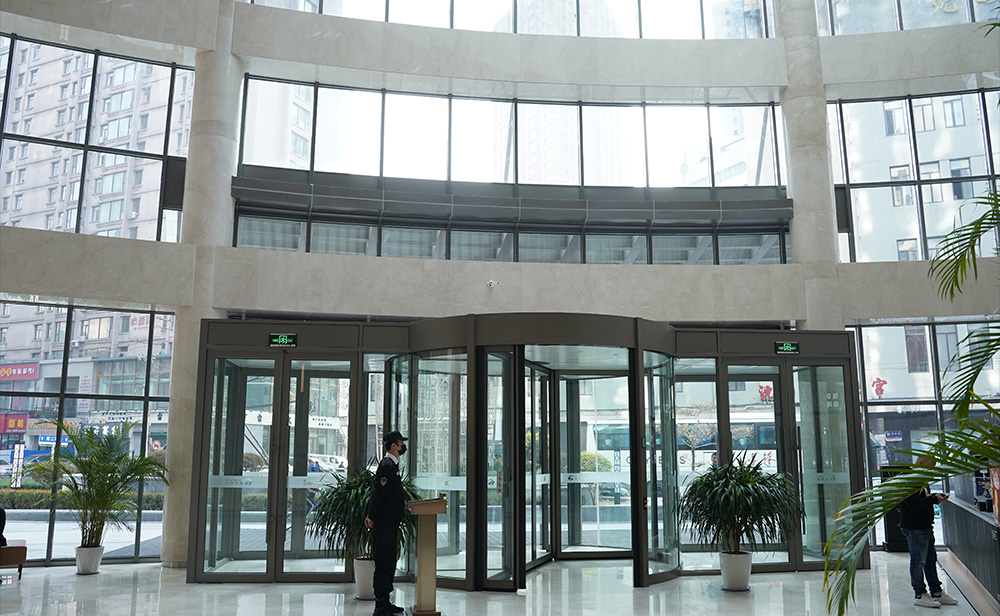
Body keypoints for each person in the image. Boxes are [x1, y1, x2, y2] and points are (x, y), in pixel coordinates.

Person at [898, 457, 959, 608]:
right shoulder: (909, 478)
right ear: (920, 463)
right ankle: (919, 594)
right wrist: (934, 500)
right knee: (918, 561)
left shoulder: (920, 478)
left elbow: (921, 499)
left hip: (924, 526)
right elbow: (912, 503)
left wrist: (934, 497)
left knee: (931, 560)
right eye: (930, 467)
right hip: (915, 527)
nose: (931, 471)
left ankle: (936, 592)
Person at [365, 430, 408, 616]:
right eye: (401, 443)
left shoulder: (393, 465)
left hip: (390, 523)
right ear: (393, 446)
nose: (403, 446)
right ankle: (380, 605)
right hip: (384, 523)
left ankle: (386, 601)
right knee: (383, 562)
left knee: (389, 561)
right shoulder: (386, 466)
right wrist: (371, 516)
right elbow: (379, 494)